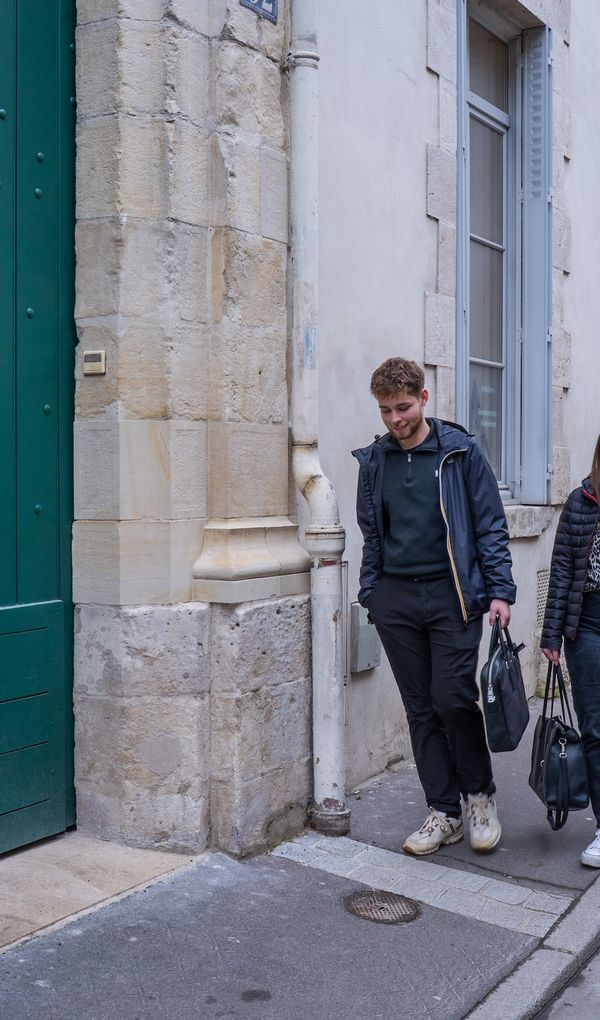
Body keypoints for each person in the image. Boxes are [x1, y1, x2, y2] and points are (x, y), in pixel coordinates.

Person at [352, 357, 516, 856]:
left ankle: (479, 797)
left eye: (402, 407)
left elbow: (489, 524)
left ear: (424, 398)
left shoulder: (460, 452)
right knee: (420, 709)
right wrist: (372, 592)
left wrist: (500, 590)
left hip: (453, 596)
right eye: (385, 411)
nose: (395, 420)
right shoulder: (375, 460)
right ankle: (443, 811)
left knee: (451, 698)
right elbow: (371, 533)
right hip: (396, 599)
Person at [541, 435, 600, 867]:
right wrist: (552, 637)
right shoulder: (581, 500)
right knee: (595, 730)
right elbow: (561, 568)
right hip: (590, 627)